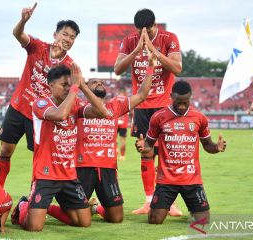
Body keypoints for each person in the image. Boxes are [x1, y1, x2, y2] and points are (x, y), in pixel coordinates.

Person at [11, 63, 109, 231]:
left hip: (69, 175)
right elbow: (60, 114)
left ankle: (45, 207)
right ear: (50, 86)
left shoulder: (75, 104)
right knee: (34, 227)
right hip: (46, 174)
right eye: (64, 85)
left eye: (70, 84)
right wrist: (75, 89)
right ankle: (23, 207)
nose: (68, 88)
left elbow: (102, 112)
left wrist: (83, 86)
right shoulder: (40, 104)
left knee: (83, 222)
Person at [0, 2, 80, 187]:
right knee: (5, 150)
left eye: (72, 37)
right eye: (65, 34)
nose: (68, 39)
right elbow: (17, 34)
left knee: (41, 158)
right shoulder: (38, 47)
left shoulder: (70, 66)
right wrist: (23, 20)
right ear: (55, 34)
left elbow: (71, 92)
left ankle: (36, 199)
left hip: (42, 116)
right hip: (19, 106)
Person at [76, 43, 155, 223]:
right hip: (82, 167)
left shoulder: (115, 105)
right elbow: (95, 110)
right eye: (95, 81)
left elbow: (142, 95)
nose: (100, 83)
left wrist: (150, 67)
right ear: (86, 86)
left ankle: (94, 207)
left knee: (116, 218)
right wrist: (79, 85)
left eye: (102, 82)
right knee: (78, 219)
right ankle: (46, 206)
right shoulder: (78, 106)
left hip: (107, 168)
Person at [114, 8, 183, 215]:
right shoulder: (129, 41)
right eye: (142, 31)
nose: (146, 35)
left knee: (165, 153)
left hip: (164, 105)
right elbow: (117, 69)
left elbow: (177, 68)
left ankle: (168, 201)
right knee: (146, 152)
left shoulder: (169, 38)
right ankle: (148, 201)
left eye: (150, 30)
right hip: (142, 104)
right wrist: (137, 51)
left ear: (155, 25)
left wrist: (152, 48)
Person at [135, 80, 226, 224]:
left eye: (185, 102)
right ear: (171, 96)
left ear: (191, 97)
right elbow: (149, 144)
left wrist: (216, 147)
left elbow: (207, 145)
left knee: (203, 221)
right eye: (179, 102)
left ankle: (193, 210)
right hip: (166, 180)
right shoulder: (159, 117)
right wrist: (142, 146)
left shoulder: (199, 118)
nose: (182, 106)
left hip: (192, 179)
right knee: (154, 220)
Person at [117, 87, 129, 161]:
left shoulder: (114, 99)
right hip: (123, 122)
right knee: (123, 141)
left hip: (115, 121)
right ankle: (122, 156)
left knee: (113, 139)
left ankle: (114, 151)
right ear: (125, 92)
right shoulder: (127, 100)